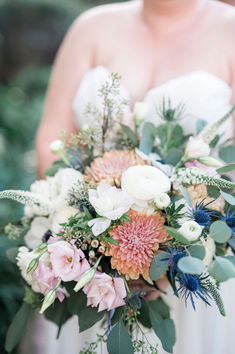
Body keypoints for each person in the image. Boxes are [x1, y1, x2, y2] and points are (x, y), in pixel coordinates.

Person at [35, 1, 235, 353]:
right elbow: (51, 141)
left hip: (195, 271)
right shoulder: (90, 27)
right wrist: (91, 241)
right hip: (94, 275)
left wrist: (171, 250)